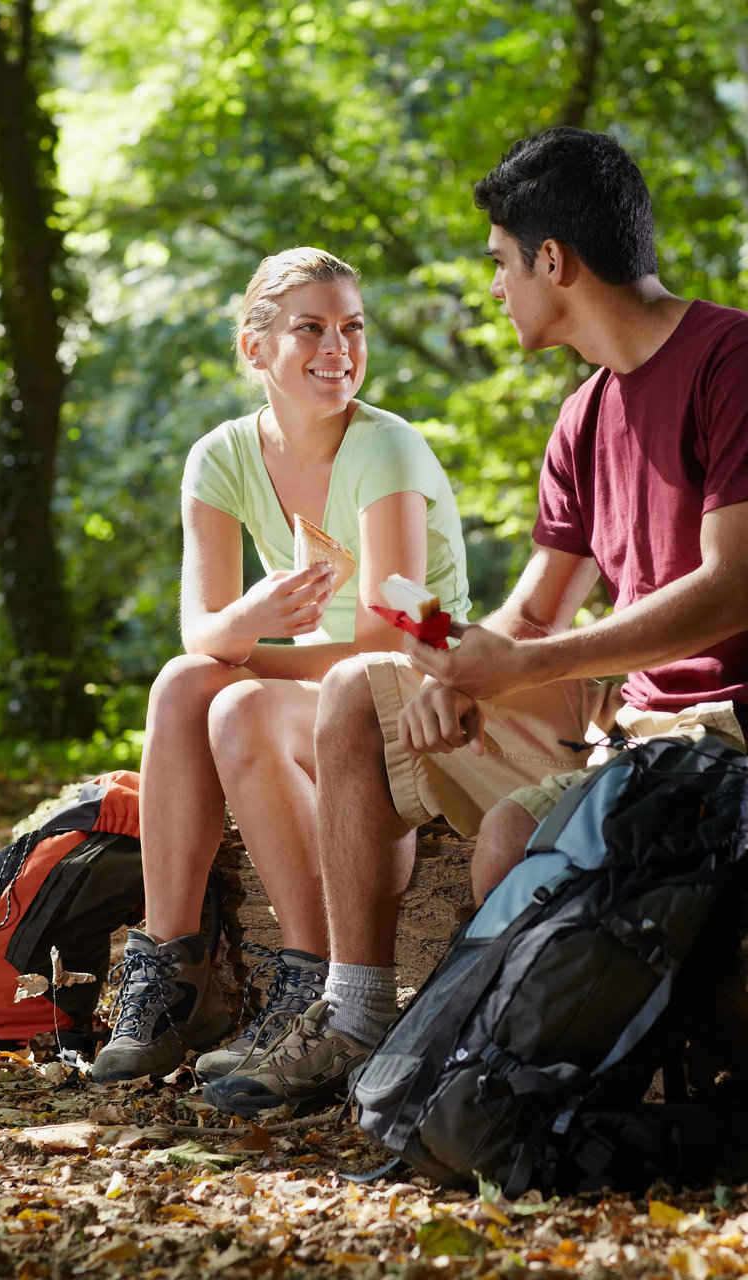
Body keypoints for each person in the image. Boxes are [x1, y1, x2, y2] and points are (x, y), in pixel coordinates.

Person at [202, 128, 748, 1117]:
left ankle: (507, 1089)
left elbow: (734, 593)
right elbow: (535, 609)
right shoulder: (586, 416)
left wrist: (519, 663)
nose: (497, 286)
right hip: (626, 741)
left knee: (513, 833)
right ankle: (357, 1012)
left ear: (555, 260)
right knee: (354, 696)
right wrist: (457, 677)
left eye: (503, 261)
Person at [85, 248, 472, 1083]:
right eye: (312, 328)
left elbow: (391, 631)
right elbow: (201, 630)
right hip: (319, 682)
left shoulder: (388, 451)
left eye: (352, 328)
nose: (339, 347)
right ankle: (171, 970)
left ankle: (312, 985)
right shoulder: (220, 458)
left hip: (415, 678)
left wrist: (244, 646)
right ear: (256, 349)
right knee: (183, 685)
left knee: (236, 704)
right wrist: (248, 627)